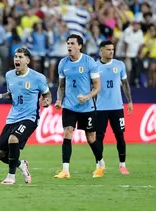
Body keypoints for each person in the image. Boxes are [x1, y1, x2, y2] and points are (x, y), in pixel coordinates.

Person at [0, 47, 51, 184]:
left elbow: (47, 94)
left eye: (20, 57)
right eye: (15, 57)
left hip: (30, 118)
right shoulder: (9, 75)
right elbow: (12, 94)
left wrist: (47, 101)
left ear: (27, 60)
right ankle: (21, 164)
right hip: (12, 118)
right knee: (0, 153)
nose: (17, 59)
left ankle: (11, 177)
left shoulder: (38, 78)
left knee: (13, 139)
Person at [54, 34, 105, 179]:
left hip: (87, 107)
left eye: (72, 43)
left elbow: (97, 87)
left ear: (80, 46)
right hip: (69, 106)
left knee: (90, 138)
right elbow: (61, 86)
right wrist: (59, 100)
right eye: (68, 43)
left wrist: (87, 97)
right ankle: (65, 170)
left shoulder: (89, 62)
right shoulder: (63, 63)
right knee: (68, 132)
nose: (69, 46)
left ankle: (100, 164)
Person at [95, 40, 133, 175]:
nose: (111, 52)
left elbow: (125, 83)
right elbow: (92, 87)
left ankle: (122, 165)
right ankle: (99, 165)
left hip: (117, 107)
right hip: (100, 108)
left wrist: (129, 101)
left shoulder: (119, 65)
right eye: (108, 49)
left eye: (112, 49)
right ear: (101, 51)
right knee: (98, 137)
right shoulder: (95, 66)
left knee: (120, 136)